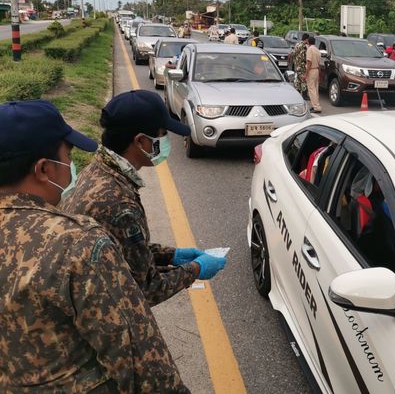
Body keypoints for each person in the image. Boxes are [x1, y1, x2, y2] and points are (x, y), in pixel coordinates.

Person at [0, 100, 188, 392]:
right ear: (44, 169)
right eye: (69, 155)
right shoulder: (77, 244)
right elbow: (139, 357)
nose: (73, 166)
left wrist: (171, 255)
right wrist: (195, 268)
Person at [62, 90, 227, 306]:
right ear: (141, 141)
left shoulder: (99, 169)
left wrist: (171, 255)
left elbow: (122, 249)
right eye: (162, 134)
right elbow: (145, 289)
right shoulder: (118, 204)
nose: (166, 140)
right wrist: (196, 269)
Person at [305, 36, 322, 114]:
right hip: (316, 70)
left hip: (311, 70)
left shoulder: (309, 49)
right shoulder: (317, 50)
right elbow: (319, 63)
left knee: (311, 89)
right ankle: (316, 105)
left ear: (308, 42)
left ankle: (316, 107)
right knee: (315, 89)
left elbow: (309, 62)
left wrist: (306, 73)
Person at [292, 33, 310, 97]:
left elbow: (293, 54)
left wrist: (295, 62)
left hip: (296, 65)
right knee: (303, 80)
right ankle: (304, 95)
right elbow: (305, 56)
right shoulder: (304, 46)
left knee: (297, 80)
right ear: (307, 39)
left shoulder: (297, 44)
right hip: (302, 65)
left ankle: (298, 94)